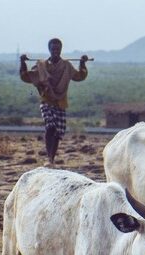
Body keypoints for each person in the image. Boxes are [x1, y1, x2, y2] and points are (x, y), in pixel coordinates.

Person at [20, 38, 88, 166]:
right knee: (50, 126)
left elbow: (80, 76)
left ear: (61, 49)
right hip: (46, 101)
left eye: (58, 49)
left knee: (57, 132)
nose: (55, 51)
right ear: (49, 50)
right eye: (53, 49)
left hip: (60, 103)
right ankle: (49, 158)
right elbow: (26, 77)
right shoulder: (41, 66)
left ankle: (52, 159)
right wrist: (22, 63)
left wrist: (83, 63)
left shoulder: (66, 66)